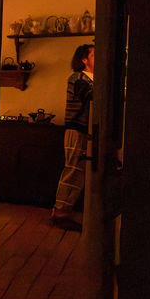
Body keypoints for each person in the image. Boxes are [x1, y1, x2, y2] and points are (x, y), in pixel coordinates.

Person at [51, 44, 94, 230]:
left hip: (85, 130)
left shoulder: (91, 79)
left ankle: (65, 211)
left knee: (80, 171)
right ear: (84, 59)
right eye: (94, 54)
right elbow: (90, 95)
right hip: (76, 130)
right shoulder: (78, 78)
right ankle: (60, 212)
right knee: (73, 170)